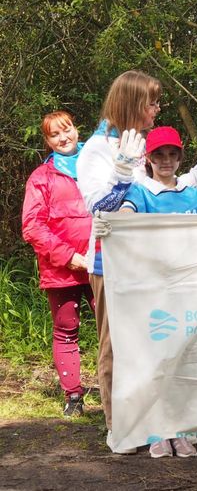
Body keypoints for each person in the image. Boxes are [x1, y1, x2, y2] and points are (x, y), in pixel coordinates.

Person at [76, 69, 197, 453]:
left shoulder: (140, 145)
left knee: (153, 343)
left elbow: (168, 190)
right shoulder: (96, 148)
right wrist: (122, 174)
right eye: (152, 102)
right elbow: (100, 210)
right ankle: (117, 423)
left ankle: (154, 420)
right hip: (112, 264)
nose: (156, 109)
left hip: (153, 265)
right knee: (115, 345)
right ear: (134, 103)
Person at [116, 126, 197, 457]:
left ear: (179, 158)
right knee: (155, 360)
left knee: (183, 361)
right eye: (159, 155)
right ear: (148, 158)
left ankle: (182, 428)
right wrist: (113, 222)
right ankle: (155, 430)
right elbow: (125, 215)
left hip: (187, 290)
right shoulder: (141, 192)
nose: (166, 161)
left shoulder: (192, 194)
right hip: (153, 291)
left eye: (172, 155)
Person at [22, 111, 95, 417]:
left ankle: (123, 390)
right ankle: (73, 396)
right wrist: (69, 257)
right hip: (62, 268)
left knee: (116, 327)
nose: (64, 138)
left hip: (102, 263)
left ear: (76, 130)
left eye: (67, 130)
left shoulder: (97, 165)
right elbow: (32, 227)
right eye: (55, 134)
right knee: (67, 329)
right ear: (47, 141)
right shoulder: (41, 177)